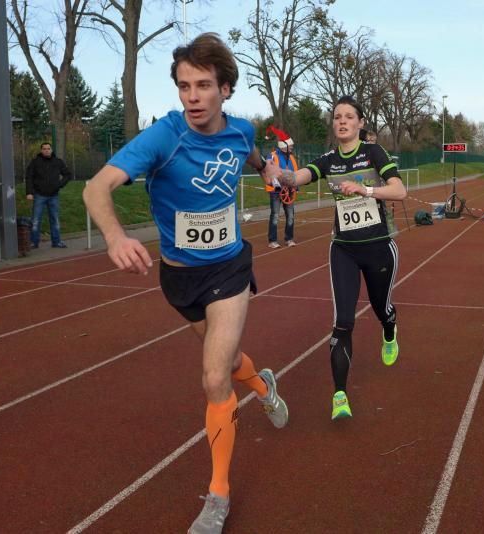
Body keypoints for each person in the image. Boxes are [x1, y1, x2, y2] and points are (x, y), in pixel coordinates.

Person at [82, 33, 288, 534]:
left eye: (203, 86)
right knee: (230, 363)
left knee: (214, 378)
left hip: (229, 268)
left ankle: (218, 495)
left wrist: (269, 169)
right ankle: (263, 384)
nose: (192, 97)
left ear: (225, 89)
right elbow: (95, 187)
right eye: (183, 87)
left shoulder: (241, 131)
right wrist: (115, 237)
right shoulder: (164, 137)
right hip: (179, 277)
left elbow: (252, 153)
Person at [271, 95, 406, 420]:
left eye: (348, 116)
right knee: (343, 322)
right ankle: (340, 395)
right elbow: (296, 178)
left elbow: (399, 191)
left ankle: (389, 330)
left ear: (360, 123)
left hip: (378, 247)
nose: (342, 121)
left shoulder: (373, 152)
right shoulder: (328, 160)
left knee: (381, 308)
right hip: (343, 249)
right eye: (337, 117)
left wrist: (365, 190)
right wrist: (268, 169)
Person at [25, 142, 72, 248]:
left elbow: (67, 174)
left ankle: (56, 242)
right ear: (41, 150)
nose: (46, 150)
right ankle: (33, 242)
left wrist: (59, 184)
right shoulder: (35, 162)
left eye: (48, 148)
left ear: (51, 150)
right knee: (36, 220)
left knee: (55, 219)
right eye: (44, 149)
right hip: (39, 195)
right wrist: (29, 192)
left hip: (54, 195)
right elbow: (29, 177)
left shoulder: (58, 162)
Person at [264, 125, 298, 248]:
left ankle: (289, 239)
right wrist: (277, 185)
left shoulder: (292, 158)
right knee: (275, 215)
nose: (292, 147)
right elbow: (268, 170)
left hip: (289, 191)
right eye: (291, 145)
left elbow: (295, 174)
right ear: (284, 147)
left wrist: (295, 188)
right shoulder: (272, 156)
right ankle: (272, 241)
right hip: (275, 191)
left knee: (291, 215)